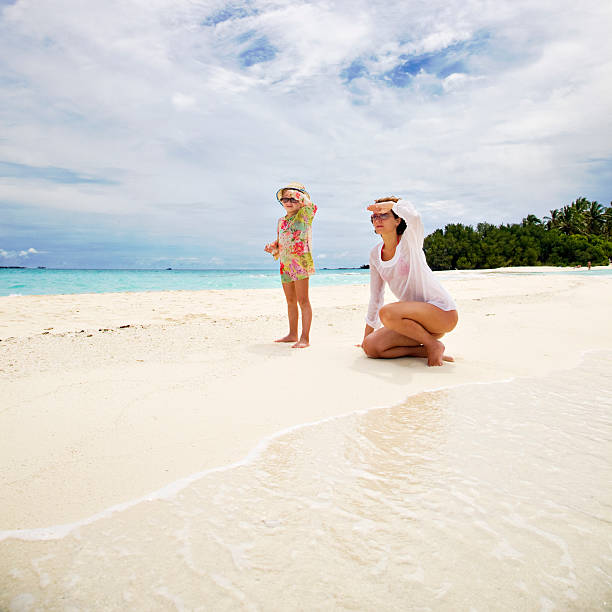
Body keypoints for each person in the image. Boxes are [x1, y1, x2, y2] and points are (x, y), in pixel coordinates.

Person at [360, 196, 458, 366]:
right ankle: (429, 347)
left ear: (398, 220)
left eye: (384, 215)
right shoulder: (375, 254)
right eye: (375, 216)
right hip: (413, 324)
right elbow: (376, 297)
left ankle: (431, 345)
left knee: (387, 312)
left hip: (442, 314)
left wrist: (392, 205)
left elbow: (415, 218)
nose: (378, 219)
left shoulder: (409, 241)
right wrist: (366, 336)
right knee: (371, 347)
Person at [264, 182, 317, 348]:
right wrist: (273, 247)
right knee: (290, 301)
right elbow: (281, 241)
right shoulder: (281, 221)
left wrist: (299, 193)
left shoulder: (304, 214)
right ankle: (292, 334)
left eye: (293, 198)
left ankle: (305, 338)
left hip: (300, 262)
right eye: (285, 199)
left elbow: (312, 206)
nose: (288, 202)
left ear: (301, 200)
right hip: (285, 263)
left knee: (303, 300)